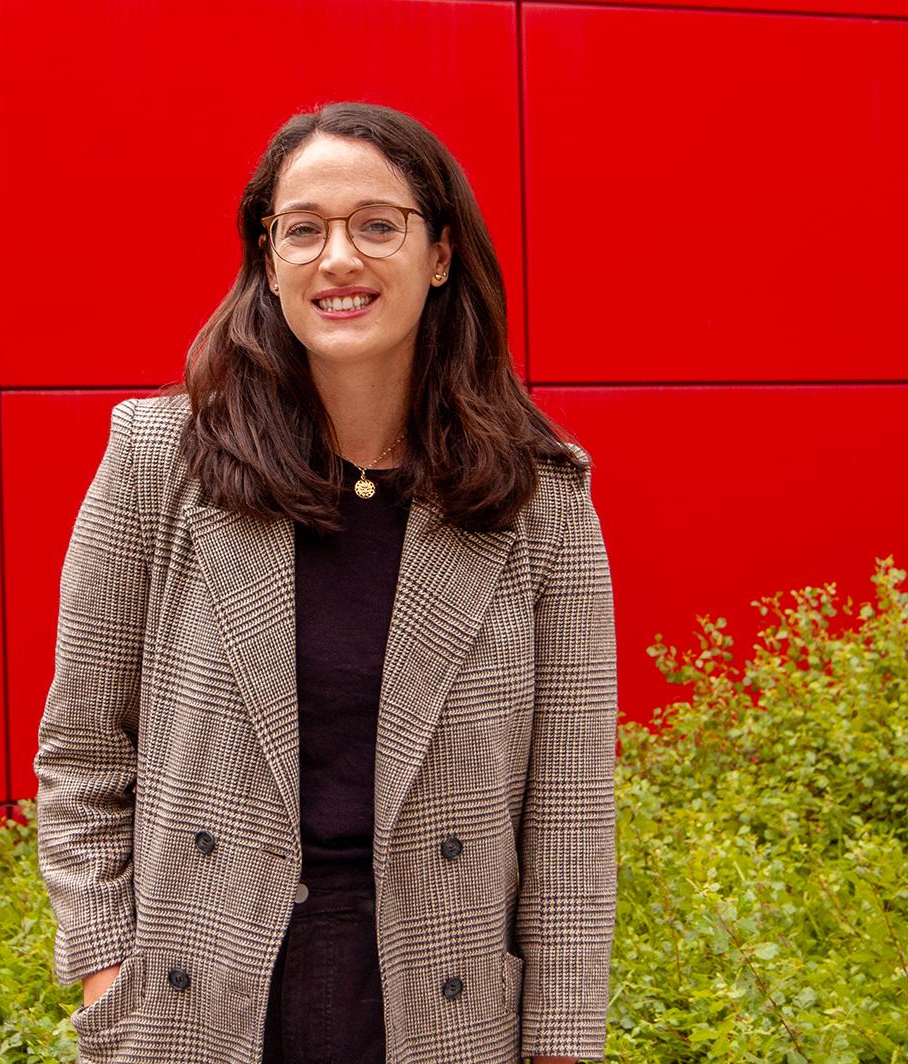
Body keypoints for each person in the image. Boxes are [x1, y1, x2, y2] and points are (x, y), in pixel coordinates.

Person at [33, 101, 618, 1064]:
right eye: (302, 229)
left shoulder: (538, 498)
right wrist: (106, 962)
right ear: (269, 263)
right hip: (201, 996)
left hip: (442, 1002)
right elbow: (86, 744)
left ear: (438, 255)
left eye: (375, 225)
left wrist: (560, 1046)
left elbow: (567, 814)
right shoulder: (157, 460)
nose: (337, 258)